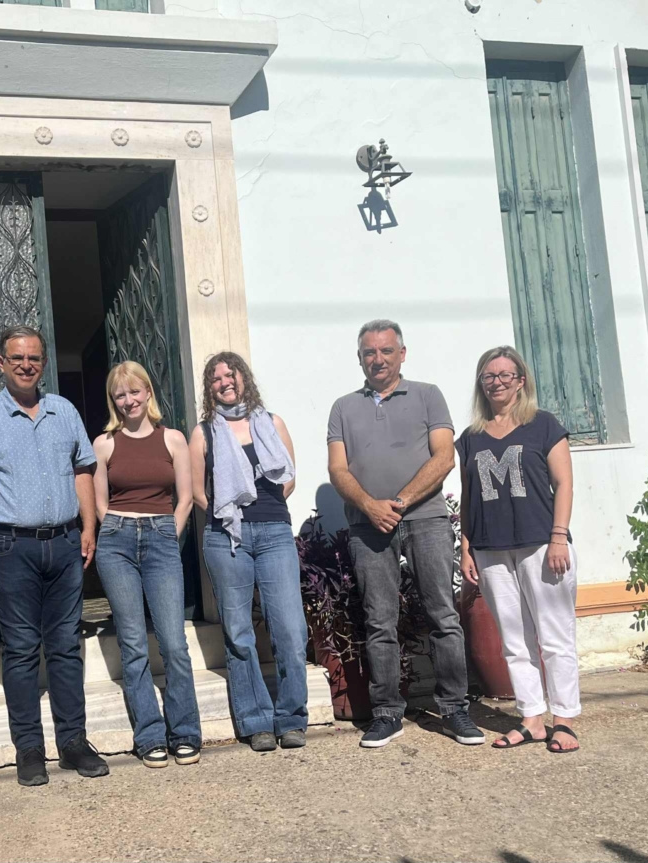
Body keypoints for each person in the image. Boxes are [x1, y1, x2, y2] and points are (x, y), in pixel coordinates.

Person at [0, 325, 109, 787]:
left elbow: (83, 470)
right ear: (1, 363)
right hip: (9, 547)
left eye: (34, 358)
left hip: (64, 542)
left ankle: (73, 742)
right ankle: (29, 748)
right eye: (17, 358)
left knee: (65, 646)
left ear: (44, 363)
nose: (26, 365)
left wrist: (88, 527)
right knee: (20, 649)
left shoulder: (64, 411)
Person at [327, 319, 484, 749]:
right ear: (359, 358)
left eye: (386, 351)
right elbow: (337, 469)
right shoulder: (343, 407)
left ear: (402, 354)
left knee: (442, 615)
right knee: (379, 621)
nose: (377, 359)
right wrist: (370, 506)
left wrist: (398, 502)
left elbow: (444, 457)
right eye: (369, 352)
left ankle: (454, 709)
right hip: (368, 525)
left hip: (426, 519)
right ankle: (386, 714)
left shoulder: (428, 395)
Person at [457, 346, 580, 753]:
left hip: (542, 545)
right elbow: (469, 496)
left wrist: (558, 536)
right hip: (491, 549)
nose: (497, 382)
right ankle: (532, 719)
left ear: (521, 381)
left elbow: (563, 483)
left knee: (555, 636)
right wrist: (467, 548)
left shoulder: (543, 425)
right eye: (489, 376)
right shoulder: (471, 438)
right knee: (513, 640)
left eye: (505, 375)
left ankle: (564, 720)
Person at [189, 351, 309, 752]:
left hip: (275, 532)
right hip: (227, 538)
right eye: (216, 378)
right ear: (209, 388)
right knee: (239, 634)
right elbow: (197, 493)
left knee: (290, 629)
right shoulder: (203, 433)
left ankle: (291, 719)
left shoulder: (272, 423)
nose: (225, 381)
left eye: (231, 373)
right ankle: (256, 721)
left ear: (244, 378)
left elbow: (289, 478)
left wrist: (263, 509)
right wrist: (230, 515)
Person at [92, 361, 202, 768]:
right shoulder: (104, 443)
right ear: (113, 400)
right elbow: (100, 503)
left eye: (134, 391)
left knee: (173, 642)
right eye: (120, 394)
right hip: (117, 541)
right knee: (134, 643)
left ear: (148, 392)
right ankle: (150, 735)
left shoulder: (172, 439)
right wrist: (116, 531)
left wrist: (168, 535)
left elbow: (185, 498)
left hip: (161, 539)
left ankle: (185, 731)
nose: (128, 400)